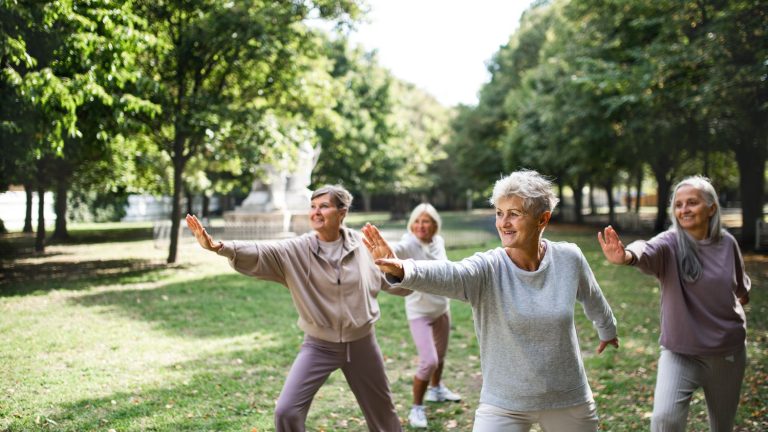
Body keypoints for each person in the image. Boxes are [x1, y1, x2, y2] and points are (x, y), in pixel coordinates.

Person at [362, 169, 619, 432]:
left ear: (542, 219)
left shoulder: (569, 258)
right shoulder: (488, 267)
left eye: (514, 214)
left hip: (567, 396)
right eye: (499, 213)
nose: (503, 223)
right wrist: (403, 269)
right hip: (504, 402)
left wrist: (607, 329)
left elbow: (593, 297)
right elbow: (451, 274)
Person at [186, 184, 410, 432]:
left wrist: (399, 272)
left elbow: (398, 283)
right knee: (287, 411)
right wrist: (219, 247)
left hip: (362, 343)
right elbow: (261, 251)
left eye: (324, 206)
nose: (316, 212)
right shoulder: (296, 249)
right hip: (319, 345)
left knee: (383, 415)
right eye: (313, 207)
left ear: (342, 212)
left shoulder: (363, 245)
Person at [598, 175, 751, 432]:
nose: (684, 209)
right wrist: (626, 256)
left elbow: (740, 288)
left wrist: (741, 297)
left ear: (711, 208)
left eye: (692, 202)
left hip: (728, 352)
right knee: (664, 420)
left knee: (722, 426)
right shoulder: (669, 244)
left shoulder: (727, 243)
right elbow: (645, 249)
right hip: (681, 352)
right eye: (678, 204)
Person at [393, 203, 461, 429]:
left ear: (435, 225)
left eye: (427, 221)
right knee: (429, 361)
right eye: (418, 221)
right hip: (419, 312)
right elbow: (396, 251)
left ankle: (436, 390)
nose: (421, 226)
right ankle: (416, 408)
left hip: (442, 308)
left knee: (440, 357)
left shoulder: (438, 242)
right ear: (411, 224)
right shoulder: (409, 243)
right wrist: (382, 249)